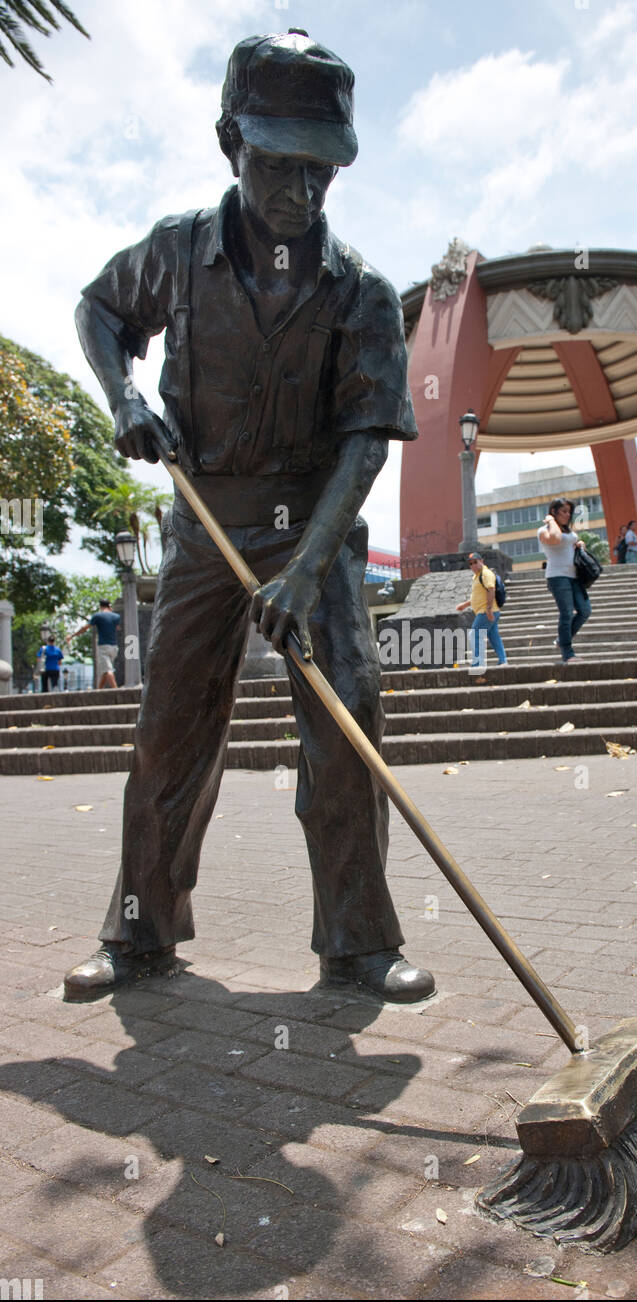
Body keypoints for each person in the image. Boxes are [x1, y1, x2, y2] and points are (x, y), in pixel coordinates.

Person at [62, 30, 434, 1006]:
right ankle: (139, 935)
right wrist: (124, 398)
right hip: (207, 520)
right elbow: (99, 312)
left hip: (313, 526)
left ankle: (356, 941)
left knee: (349, 707)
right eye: (279, 163)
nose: (300, 191)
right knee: (167, 726)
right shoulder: (178, 254)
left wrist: (309, 570)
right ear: (231, 142)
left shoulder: (360, 292)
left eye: (319, 169)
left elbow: (366, 439)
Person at [537, 498, 592, 663]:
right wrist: (551, 521)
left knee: (585, 610)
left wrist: (579, 544)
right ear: (553, 512)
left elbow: (568, 543)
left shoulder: (569, 531)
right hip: (557, 577)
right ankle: (567, 653)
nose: (568, 515)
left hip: (574, 576)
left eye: (569, 511)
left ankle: (562, 640)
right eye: (564, 511)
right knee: (567, 613)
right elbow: (555, 538)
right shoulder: (543, 531)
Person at [456, 552, 508, 669]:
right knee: (493, 636)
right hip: (487, 610)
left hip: (486, 611)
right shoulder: (477, 576)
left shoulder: (485, 573)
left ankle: (478, 663)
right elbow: (479, 595)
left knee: (474, 634)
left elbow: (491, 589)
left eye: (475, 562)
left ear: (482, 561)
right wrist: (465, 605)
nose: (473, 565)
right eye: (471, 564)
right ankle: (503, 660)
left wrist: (488, 609)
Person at [71, 599, 121, 690]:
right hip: (114, 647)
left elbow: (85, 628)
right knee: (105, 671)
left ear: (100, 606)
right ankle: (98, 690)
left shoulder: (97, 616)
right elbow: (118, 628)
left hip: (103, 646)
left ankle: (116, 690)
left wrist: (72, 636)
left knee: (108, 671)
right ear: (109, 606)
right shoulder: (116, 616)